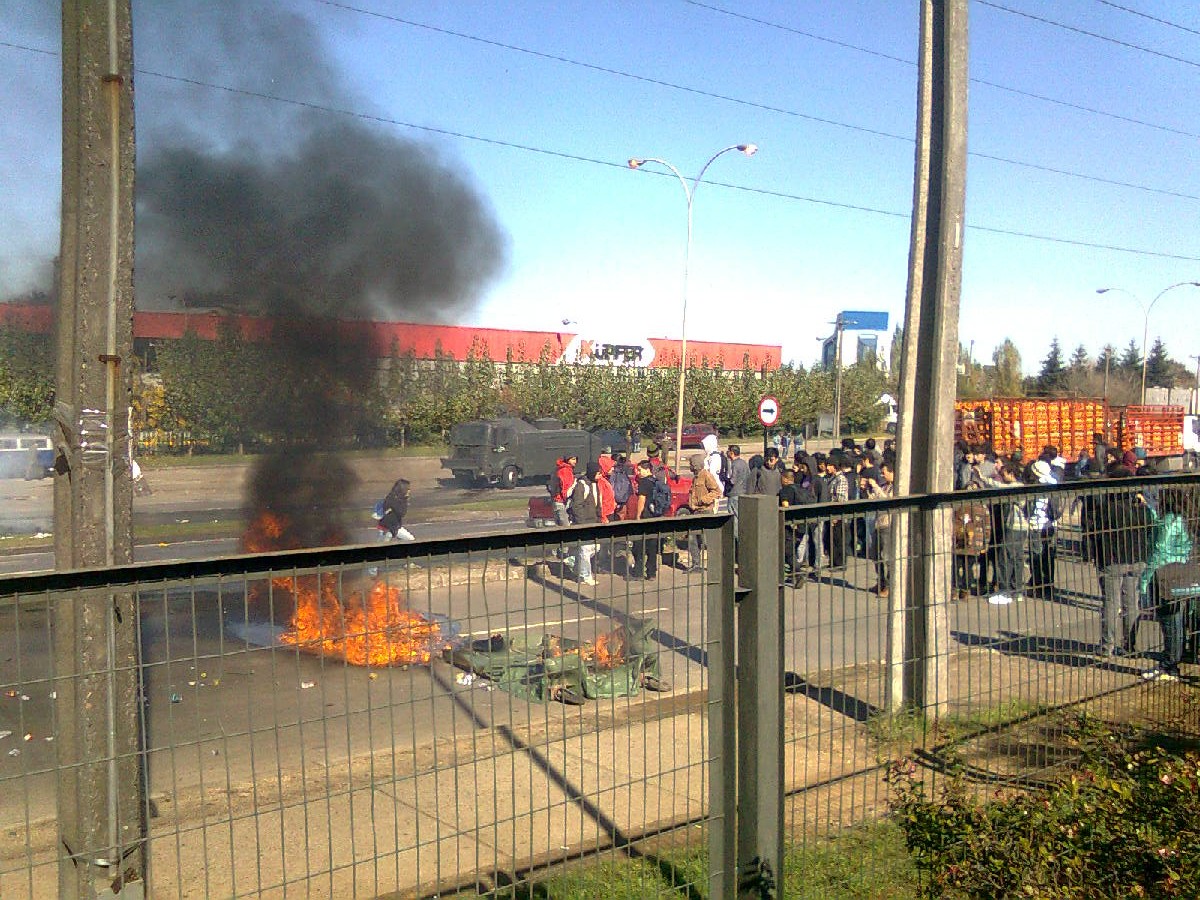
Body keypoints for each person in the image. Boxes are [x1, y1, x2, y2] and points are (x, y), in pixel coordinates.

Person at [1138, 487, 1198, 681]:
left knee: (1169, 621)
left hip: (1165, 576)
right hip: (1184, 572)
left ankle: (1169, 666)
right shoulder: (1188, 520)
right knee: (1179, 620)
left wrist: (1145, 578)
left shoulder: (1167, 522)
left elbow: (1159, 552)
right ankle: (1175, 658)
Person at [1087, 484, 1152, 658]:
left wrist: (1096, 556)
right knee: (1132, 603)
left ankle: (1107, 645)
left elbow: (1096, 533)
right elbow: (1150, 529)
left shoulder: (1107, 509)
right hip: (1137, 558)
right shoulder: (1141, 510)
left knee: (1111, 603)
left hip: (1113, 558)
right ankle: (1129, 645)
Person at [1025, 459, 1060, 601]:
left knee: (1036, 556)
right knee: (1049, 556)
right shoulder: (1054, 484)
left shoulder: (1035, 488)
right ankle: (1049, 585)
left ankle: (1037, 585)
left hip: (1036, 525)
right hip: (1050, 525)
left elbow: (1029, 508)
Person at [684, 452, 722, 572]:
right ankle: (696, 565)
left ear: (695, 465)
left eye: (691, 464)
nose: (689, 466)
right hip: (695, 513)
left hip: (705, 512)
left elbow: (717, 491)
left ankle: (715, 565)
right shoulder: (695, 477)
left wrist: (703, 500)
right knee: (692, 539)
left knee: (707, 541)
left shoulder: (706, 475)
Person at [566, 461, 602, 585]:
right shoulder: (582, 485)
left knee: (594, 548)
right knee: (586, 550)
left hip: (593, 521)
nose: (600, 476)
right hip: (584, 522)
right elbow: (577, 506)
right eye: (598, 473)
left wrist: (599, 517)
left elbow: (597, 503)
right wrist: (581, 523)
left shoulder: (594, 484)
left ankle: (578, 570)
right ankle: (586, 576)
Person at [862, 461, 894, 596]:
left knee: (886, 556)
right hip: (877, 523)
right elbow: (874, 500)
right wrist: (866, 490)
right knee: (876, 555)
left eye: (884, 472)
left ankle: (889, 584)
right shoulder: (884, 486)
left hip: (888, 524)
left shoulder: (895, 488)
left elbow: (887, 501)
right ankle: (880, 581)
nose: (882, 475)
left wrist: (875, 487)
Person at [630, 459, 661, 581]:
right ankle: (652, 573)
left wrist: (638, 516)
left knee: (639, 545)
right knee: (652, 546)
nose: (638, 472)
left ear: (647, 469)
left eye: (640, 469)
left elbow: (641, 500)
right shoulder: (656, 481)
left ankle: (638, 572)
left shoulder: (643, 482)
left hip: (645, 517)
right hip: (655, 517)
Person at [379, 476, 415, 541]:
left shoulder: (395, 498)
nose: (409, 491)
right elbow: (402, 512)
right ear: (402, 489)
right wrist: (404, 500)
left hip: (396, 527)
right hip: (387, 528)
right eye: (407, 489)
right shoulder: (392, 499)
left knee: (410, 539)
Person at [725, 444, 752, 524]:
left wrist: (726, 480)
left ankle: (736, 536)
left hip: (734, 493)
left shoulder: (734, 464)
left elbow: (733, 480)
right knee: (742, 516)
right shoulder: (744, 463)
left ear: (732, 453)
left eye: (728, 451)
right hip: (743, 492)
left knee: (734, 518)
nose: (727, 453)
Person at [550, 454, 578, 526]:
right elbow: (566, 489)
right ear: (567, 460)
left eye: (575, 459)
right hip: (562, 503)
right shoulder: (565, 471)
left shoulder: (560, 469)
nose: (575, 461)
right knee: (566, 528)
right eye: (573, 459)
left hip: (557, 501)